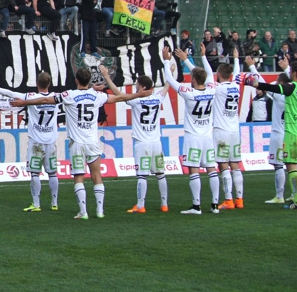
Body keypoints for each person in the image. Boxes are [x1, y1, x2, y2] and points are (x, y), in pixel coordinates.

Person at [11, 66, 148, 219]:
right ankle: (100, 211)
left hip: (77, 144)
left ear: (76, 80)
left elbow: (45, 99)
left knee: (79, 177)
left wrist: (24, 102)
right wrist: (139, 94)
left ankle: (83, 212)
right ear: (89, 81)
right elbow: (120, 98)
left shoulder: (69, 95)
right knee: (97, 176)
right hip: (92, 143)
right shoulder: (97, 95)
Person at [102, 48, 173, 214]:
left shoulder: (136, 101)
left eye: (137, 85)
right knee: (160, 174)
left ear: (142, 87)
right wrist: (169, 71)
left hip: (142, 144)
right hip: (156, 143)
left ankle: (141, 206)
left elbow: (118, 94)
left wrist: (106, 76)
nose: (136, 88)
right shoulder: (157, 98)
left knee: (142, 175)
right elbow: (167, 87)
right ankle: (164, 205)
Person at [244, 59, 297, 208]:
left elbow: (271, 88)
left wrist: (254, 83)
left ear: (295, 73)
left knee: (291, 166)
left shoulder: (290, 88)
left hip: (293, 132)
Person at [0, 72, 61, 212]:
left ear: (37, 83)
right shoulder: (55, 98)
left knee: (35, 173)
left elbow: (10, 93)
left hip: (36, 142)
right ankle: (54, 203)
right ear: (49, 84)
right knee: (52, 173)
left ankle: (36, 204)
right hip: (51, 141)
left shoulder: (30, 97)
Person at [161, 47, 222, 214]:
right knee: (211, 169)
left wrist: (166, 60)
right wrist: (196, 57)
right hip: (207, 137)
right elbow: (209, 73)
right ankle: (215, 205)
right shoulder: (211, 90)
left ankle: (196, 206)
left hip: (193, 137)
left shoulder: (189, 93)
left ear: (193, 79)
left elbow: (169, 78)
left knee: (193, 169)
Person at [212, 53, 245, 210]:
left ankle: (228, 200)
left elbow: (204, 77)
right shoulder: (236, 86)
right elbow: (238, 74)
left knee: (223, 165)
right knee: (235, 165)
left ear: (218, 75)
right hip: (235, 131)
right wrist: (236, 59)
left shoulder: (218, 89)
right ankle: (240, 199)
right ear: (230, 75)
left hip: (222, 132)